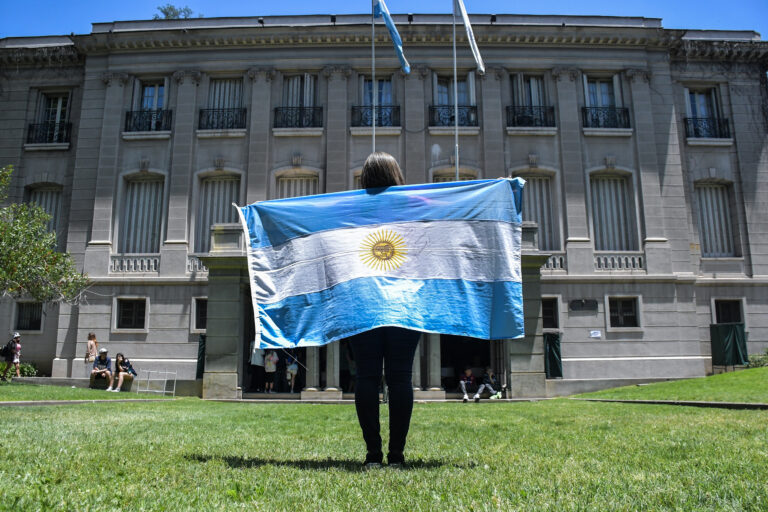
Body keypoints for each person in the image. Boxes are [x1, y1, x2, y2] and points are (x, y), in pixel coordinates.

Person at [347, 152, 421, 469]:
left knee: (366, 377)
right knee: (400, 378)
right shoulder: (414, 208)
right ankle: (397, 456)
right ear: (397, 174)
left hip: (363, 304)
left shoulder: (350, 209)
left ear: (364, 177)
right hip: (406, 305)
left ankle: (373, 456)